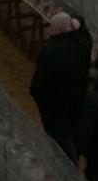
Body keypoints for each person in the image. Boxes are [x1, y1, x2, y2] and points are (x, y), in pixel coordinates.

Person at [30, 13, 93, 161]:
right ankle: (73, 160)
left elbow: (40, 82)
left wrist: (37, 95)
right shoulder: (83, 44)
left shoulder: (51, 51)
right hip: (78, 98)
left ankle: (66, 170)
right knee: (73, 134)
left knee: (60, 141)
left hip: (55, 104)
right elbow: (84, 32)